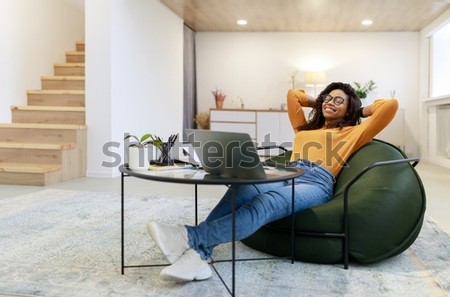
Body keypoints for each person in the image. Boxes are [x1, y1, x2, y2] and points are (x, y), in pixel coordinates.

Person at [147, 82, 398, 282]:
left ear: (349, 108)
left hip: (317, 182)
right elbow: (293, 96)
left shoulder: (355, 132)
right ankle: (200, 255)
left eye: (338, 100)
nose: (330, 103)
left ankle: (188, 236)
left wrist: (357, 109)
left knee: (265, 202)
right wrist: (322, 99)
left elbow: (390, 106)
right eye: (327, 98)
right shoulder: (304, 129)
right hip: (287, 171)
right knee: (244, 186)